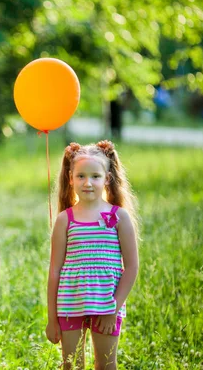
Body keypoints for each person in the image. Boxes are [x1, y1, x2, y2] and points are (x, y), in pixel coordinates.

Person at [46, 140, 139, 370]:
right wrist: (51, 318)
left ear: (107, 178)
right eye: (81, 176)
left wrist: (112, 309)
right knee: (72, 365)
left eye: (95, 176)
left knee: (106, 365)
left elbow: (132, 267)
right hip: (69, 304)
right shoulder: (65, 220)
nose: (88, 183)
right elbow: (55, 270)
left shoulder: (119, 217)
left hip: (107, 305)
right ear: (70, 178)